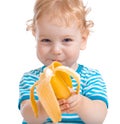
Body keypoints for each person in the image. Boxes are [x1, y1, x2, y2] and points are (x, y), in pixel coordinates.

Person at [18, 0, 108, 124]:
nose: (56, 50)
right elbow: (28, 115)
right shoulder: (32, 79)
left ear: (82, 40)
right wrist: (45, 107)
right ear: (36, 37)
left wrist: (82, 104)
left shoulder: (90, 77)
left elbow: (98, 118)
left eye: (66, 39)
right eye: (46, 40)